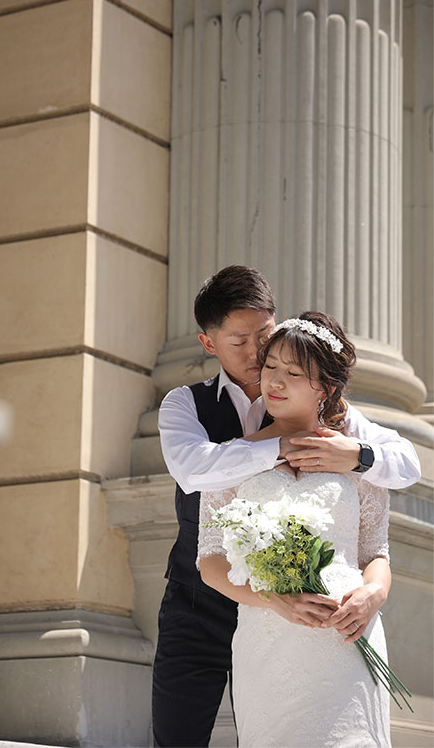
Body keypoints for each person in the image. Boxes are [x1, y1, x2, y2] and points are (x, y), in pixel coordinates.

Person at [152, 266, 420, 748]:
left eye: (265, 336)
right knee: (178, 735)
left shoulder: (337, 416)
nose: (259, 357)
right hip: (202, 602)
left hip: (331, 628)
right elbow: (193, 471)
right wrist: (280, 444)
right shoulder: (185, 405)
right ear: (208, 342)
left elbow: (403, 467)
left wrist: (356, 455)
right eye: (240, 341)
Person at [198, 312, 392, 746]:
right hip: (268, 640)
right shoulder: (232, 459)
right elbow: (210, 562)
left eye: (292, 373)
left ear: (325, 388)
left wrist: (372, 596)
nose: (274, 382)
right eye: (270, 367)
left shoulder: (355, 457)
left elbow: (375, 554)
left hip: (348, 634)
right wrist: (274, 600)